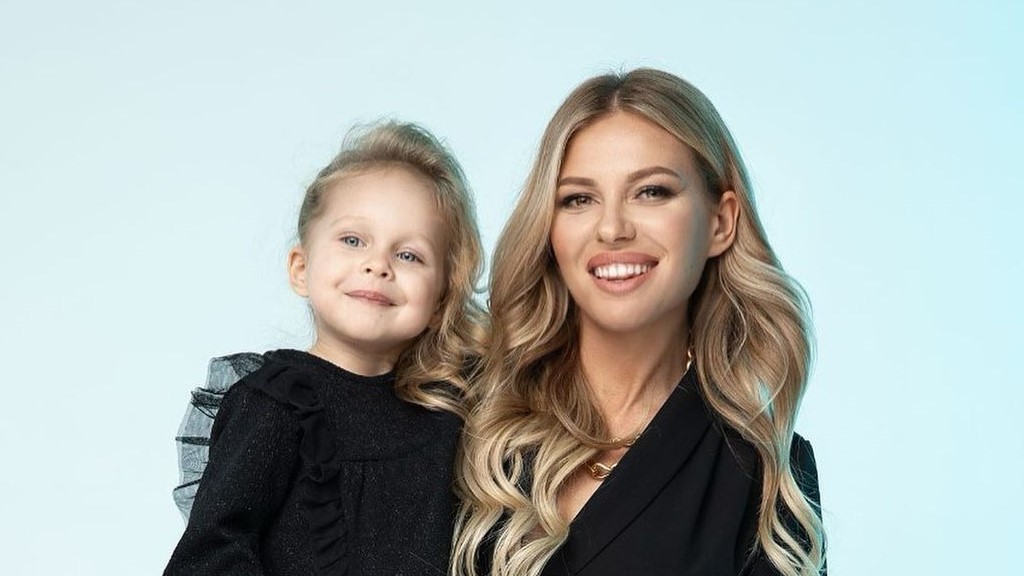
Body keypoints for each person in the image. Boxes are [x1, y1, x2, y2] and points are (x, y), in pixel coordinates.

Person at [451, 69, 826, 576]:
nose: (612, 228)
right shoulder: (466, 416)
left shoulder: (764, 477)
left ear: (720, 223)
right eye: (578, 199)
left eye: (651, 192)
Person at [164, 120, 484, 576]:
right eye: (353, 240)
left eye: (409, 255)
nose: (377, 265)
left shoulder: (449, 416)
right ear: (301, 267)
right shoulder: (275, 404)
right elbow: (211, 553)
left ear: (439, 300)